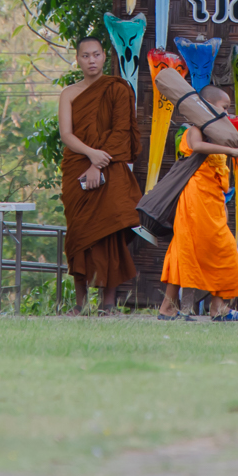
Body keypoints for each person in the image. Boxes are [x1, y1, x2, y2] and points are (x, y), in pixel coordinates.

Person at [57, 34, 141, 313]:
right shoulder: (69, 93)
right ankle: (79, 305)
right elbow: (66, 135)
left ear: (105, 56)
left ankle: (108, 304)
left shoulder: (118, 88)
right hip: (77, 168)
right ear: (78, 59)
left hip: (109, 167)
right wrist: (91, 155)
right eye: (85, 56)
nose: (91, 60)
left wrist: (98, 165)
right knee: (79, 233)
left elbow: (121, 133)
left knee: (110, 232)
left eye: (96, 54)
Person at [158, 85, 238, 321]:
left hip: (212, 203)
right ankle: (168, 308)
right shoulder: (193, 128)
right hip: (193, 201)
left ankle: (218, 308)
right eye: (224, 108)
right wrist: (231, 150)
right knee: (186, 251)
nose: (227, 114)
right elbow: (198, 147)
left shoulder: (217, 136)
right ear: (208, 106)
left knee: (223, 251)